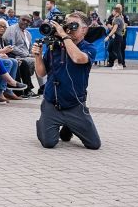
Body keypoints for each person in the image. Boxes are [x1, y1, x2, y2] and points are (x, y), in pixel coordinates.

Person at [34, 11, 101, 150]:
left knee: (94, 144)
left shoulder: (89, 47)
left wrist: (64, 36)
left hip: (74, 104)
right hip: (52, 102)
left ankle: (69, 125)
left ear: (84, 30)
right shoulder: (55, 46)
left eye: (73, 26)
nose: (68, 28)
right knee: (48, 143)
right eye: (66, 25)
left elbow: (78, 58)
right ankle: (45, 122)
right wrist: (37, 56)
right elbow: (41, 73)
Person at [2, 16, 40, 95]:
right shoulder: (12, 29)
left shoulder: (28, 33)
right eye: (23, 19)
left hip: (26, 56)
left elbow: (29, 48)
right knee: (34, 61)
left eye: (28, 21)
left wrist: (33, 54)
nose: (25, 22)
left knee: (40, 59)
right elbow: (11, 47)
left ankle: (42, 87)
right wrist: (27, 55)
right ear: (19, 20)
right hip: (15, 55)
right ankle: (30, 88)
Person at [105, 4, 127, 68]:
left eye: (113, 11)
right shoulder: (116, 18)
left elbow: (114, 29)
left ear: (116, 12)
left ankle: (120, 64)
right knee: (110, 49)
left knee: (117, 51)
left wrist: (108, 36)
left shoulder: (118, 19)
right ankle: (117, 61)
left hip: (117, 36)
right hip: (116, 36)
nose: (112, 12)